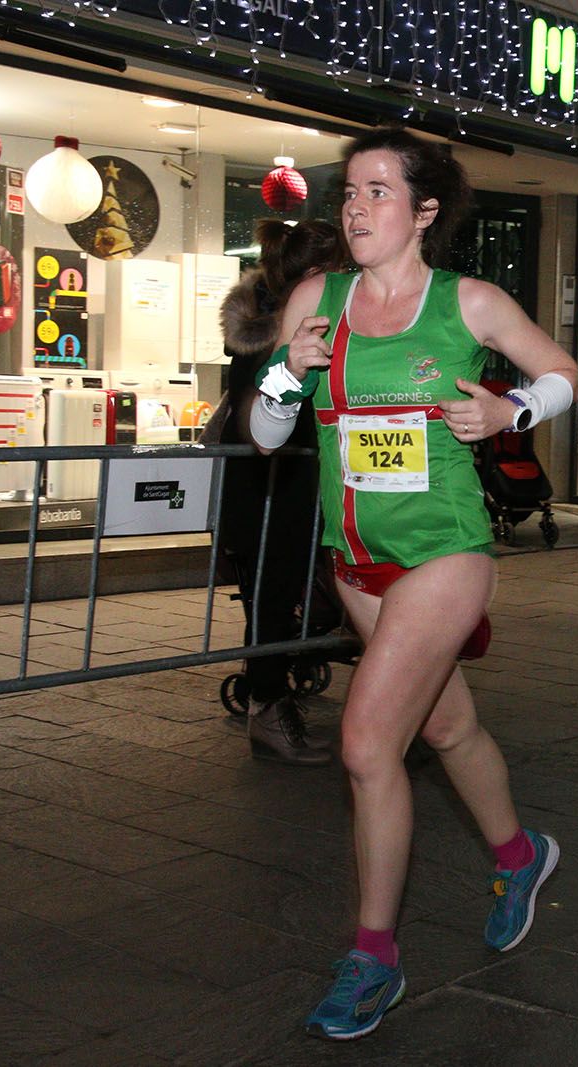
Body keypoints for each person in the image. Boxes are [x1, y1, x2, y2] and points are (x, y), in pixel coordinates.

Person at [247, 127, 578, 1041]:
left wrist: (512, 407)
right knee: (445, 723)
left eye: (378, 191)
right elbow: (271, 437)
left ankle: (374, 959)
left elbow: (565, 372)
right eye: (348, 191)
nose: (354, 207)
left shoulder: (468, 302)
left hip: (446, 548)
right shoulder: (317, 298)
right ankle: (519, 854)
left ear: (425, 210)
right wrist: (286, 371)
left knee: (365, 744)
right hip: (355, 554)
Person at [216, 218, 345, 765]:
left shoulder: (278, 321)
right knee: (274, 598)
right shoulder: (284, 334)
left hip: (287, 484)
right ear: (315, 274)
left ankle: (273, 696)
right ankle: (268, 707)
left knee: (282, 597)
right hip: (273, 487)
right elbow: (266, 417)